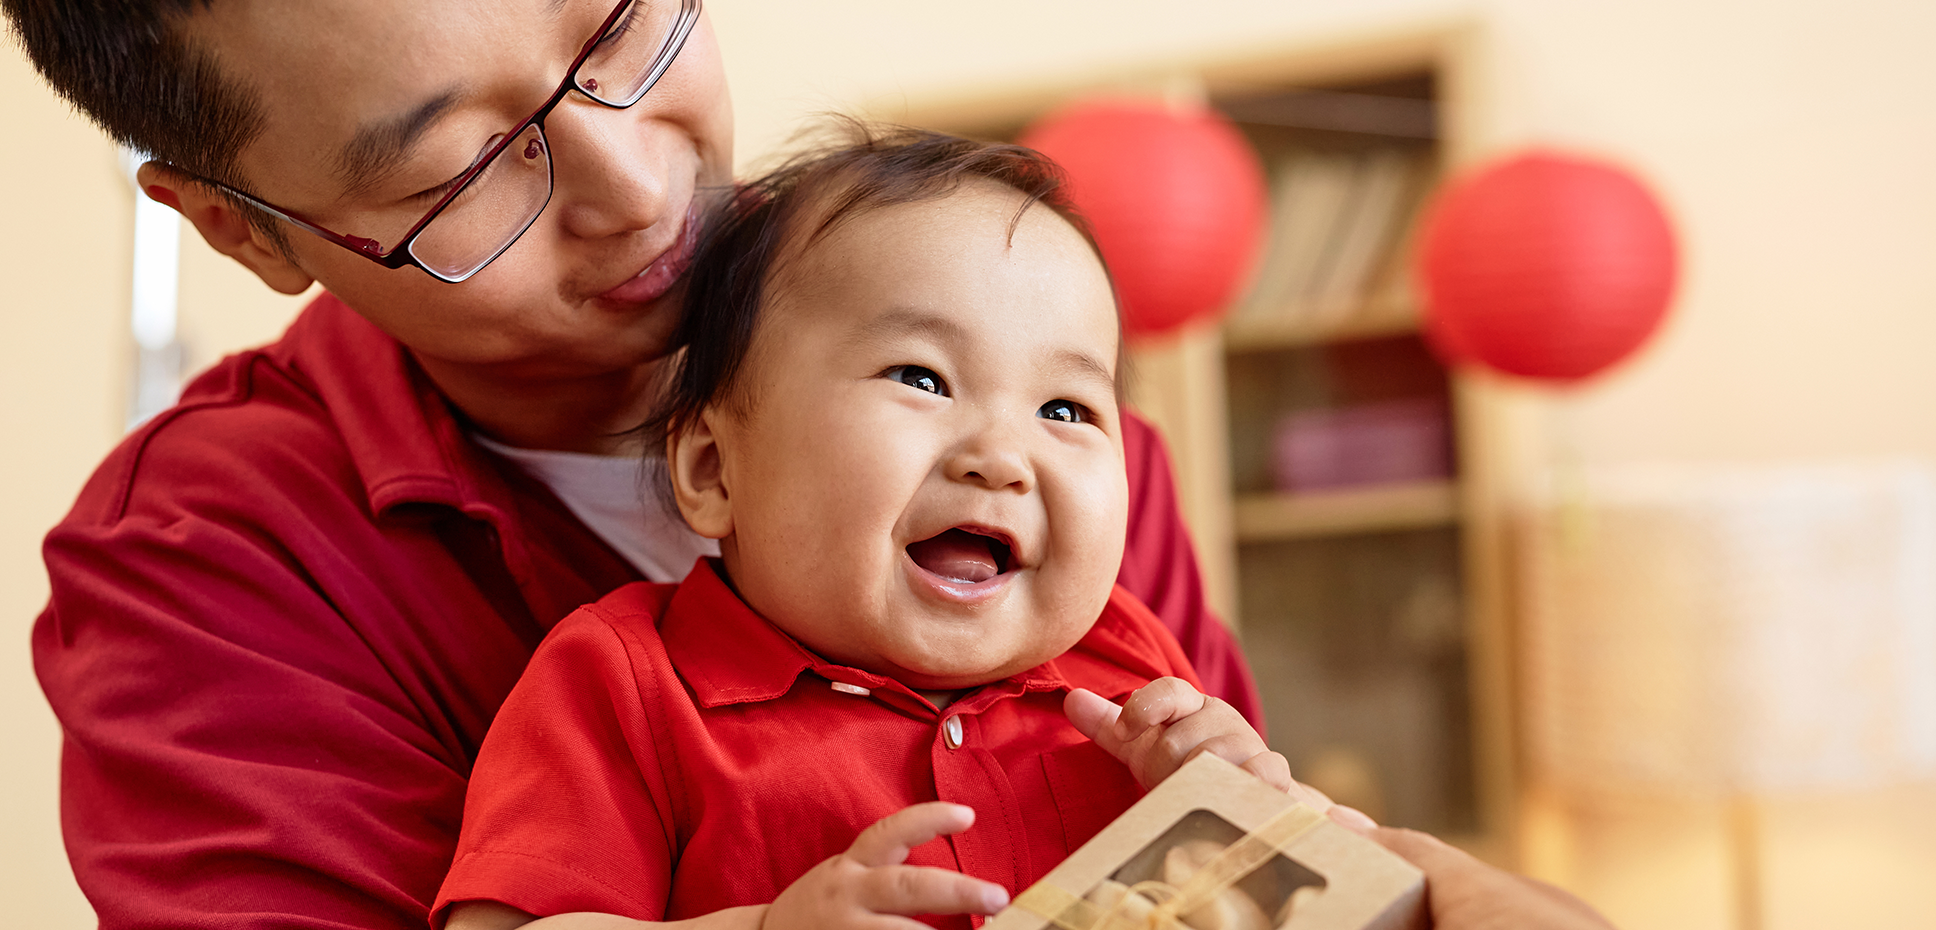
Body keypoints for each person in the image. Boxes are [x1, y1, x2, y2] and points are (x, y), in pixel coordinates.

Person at [3, 0, 1622, 926]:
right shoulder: (209, 579)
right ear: (241, 228)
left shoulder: (1044, 437)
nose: (640, 187)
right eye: (464, 167)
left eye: (626, 22)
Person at [434, 127, 1316, 930]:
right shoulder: (624, 683)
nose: (1001, 456)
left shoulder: (1133, 672)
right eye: (922, 378)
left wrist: (1236, 808)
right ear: (712, 468)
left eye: (1065, 406)